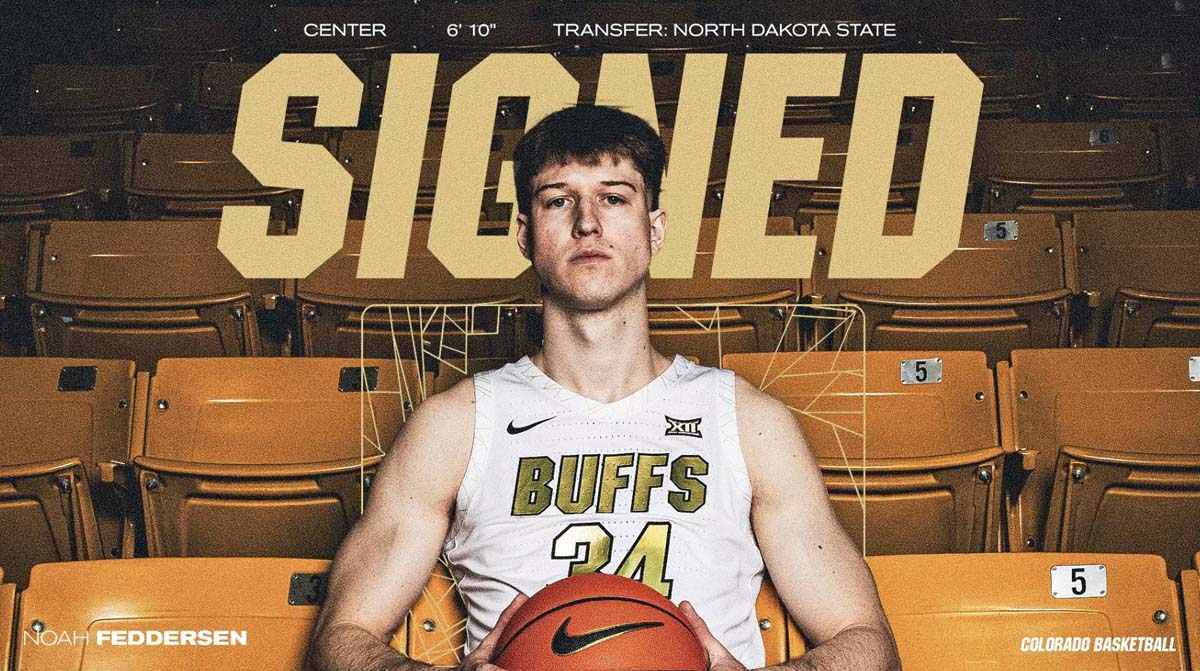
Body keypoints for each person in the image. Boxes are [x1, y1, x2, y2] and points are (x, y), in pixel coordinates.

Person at [306, 105, 901, 671]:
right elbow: (339, 641)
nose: (587, 222)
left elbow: (868, 644)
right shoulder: (455, 425)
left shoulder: (748, 421)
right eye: (558, 200)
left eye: (614, 198)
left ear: (655, 227)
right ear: (524, 232)